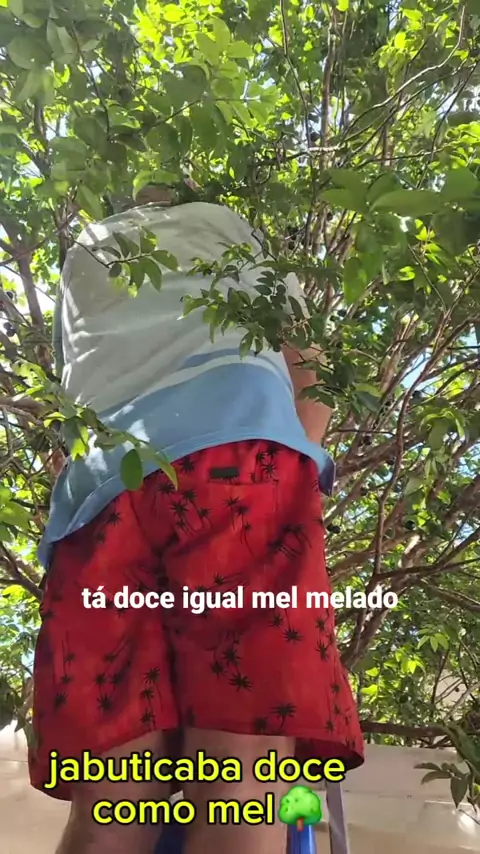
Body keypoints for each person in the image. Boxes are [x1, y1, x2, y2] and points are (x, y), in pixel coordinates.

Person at [29, 181, 364, 854]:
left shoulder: (86, 253)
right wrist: (294, 474)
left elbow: (78, 396)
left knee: (111, 802)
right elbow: (313, 371)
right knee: (241, 782)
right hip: (237, 458)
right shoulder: (230, 228)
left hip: (102, 491)